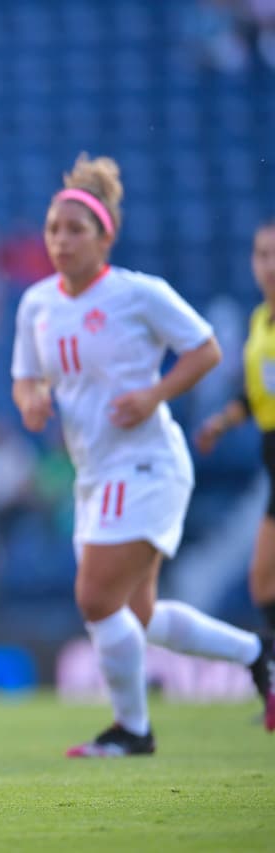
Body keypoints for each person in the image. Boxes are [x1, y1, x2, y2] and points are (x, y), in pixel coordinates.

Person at [10, 154, 275, 756]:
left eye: (75, 230)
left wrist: (155, 394)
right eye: (53, 229)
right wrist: (30, 401)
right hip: (93, 473)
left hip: (148, 462)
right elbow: (25, 378)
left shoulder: (138, 294)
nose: (61, 240)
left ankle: (133, 729)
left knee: (94, 598)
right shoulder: (36, 305)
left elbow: (205, 349)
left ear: (106, 236)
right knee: (142, 613)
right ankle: (259, 654)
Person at [196, 218, 275, 648]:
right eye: (262, 255)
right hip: (271, 457)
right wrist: (221, 423)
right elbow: (253, 393)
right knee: (262, 582)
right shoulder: (261, 321)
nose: (270, 265)